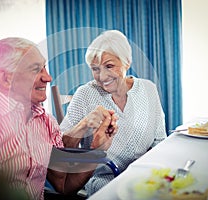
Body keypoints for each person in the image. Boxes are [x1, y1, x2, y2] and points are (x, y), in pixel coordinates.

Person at [0, 37, 117, 200]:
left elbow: (63, 185)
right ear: (6, 79)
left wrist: (97, 149)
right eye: (36, 69)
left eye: (44, 67)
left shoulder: (46, 122)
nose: (48, 77)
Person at [60, 30, 167, 195]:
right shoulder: (85, 94)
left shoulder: (148, 89)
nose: (102, 76)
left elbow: (160, 140)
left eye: (109, 66)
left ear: (127, 62)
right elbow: (61, 147)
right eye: (95, 69)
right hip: (106, 180)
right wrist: (84, 124)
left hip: (145, 178)